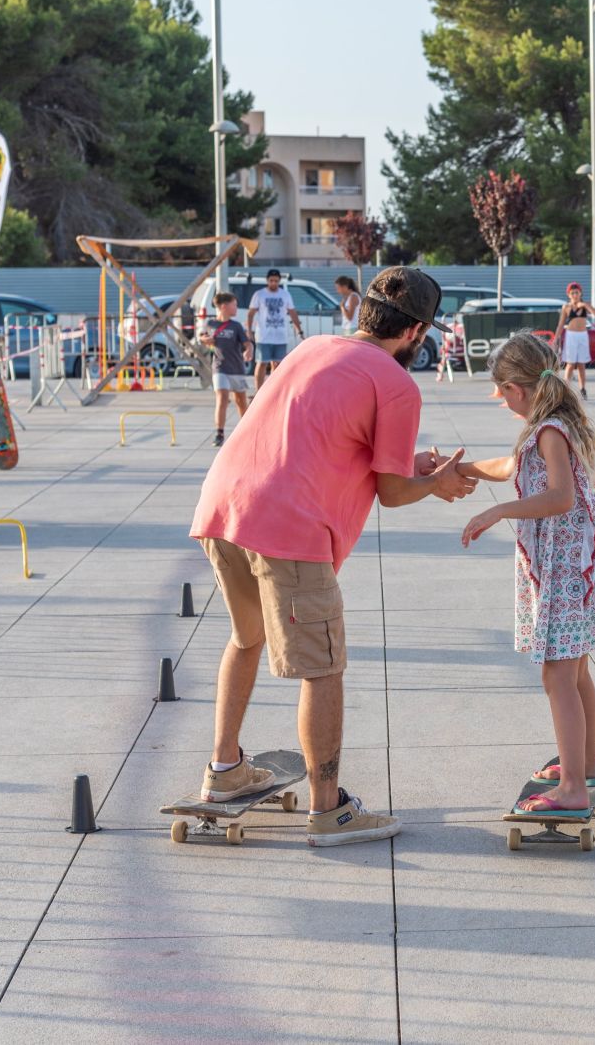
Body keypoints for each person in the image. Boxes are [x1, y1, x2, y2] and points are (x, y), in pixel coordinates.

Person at [190, 266, 477, 846]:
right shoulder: (397, 385)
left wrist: (416, 463)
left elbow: (332, 439)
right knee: (324, 666)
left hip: (224, 506)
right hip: (288, 528)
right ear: (417, 332)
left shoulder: (314, 346)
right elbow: (393, 493)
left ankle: (224, 771)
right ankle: (329, 809)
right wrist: (438, 483)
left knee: (247, 638)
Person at [459, 333, 595, 814]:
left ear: (516, 387)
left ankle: (573, 785)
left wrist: (498, 512)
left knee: (557, 677)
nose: (503, 403)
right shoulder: (551, 424)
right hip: (573, 565)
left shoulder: (550, 430)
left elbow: (560, 497)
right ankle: (587, 764)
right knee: (574, 674)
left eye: (502, 394)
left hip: (566, 570)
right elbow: (510, 464)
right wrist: (460, 468)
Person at [199, 292, 251, 447]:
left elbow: (247, 343)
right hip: (220, 366)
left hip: (236, 367)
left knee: (241, 401)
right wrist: (204, 340)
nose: (236, 307)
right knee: (222, 398)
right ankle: (219, 433)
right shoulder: (211, 324)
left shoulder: (236, 326)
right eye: (234, 304)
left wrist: (249, 350)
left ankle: (246, 430)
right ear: (223, 306)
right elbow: (202, 336)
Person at [246, 269, 302, 389]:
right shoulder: (260, 294)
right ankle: (258, 391)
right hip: (264, 336)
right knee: (261, 363)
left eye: (276, 281)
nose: (273, 283)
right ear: (267, 281)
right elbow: (251, 313)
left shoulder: (285, 294)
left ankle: (274, 389)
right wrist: (249, 330)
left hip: (280, 336)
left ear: (279, 281)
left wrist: (299, 329)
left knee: (278, 365)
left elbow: (292, 312)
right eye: (271, 281)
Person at [557, 282, 595, 399]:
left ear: (580, 293)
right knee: (570, 364)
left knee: (581, 364)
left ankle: (582, 388)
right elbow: (561, 324)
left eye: (577, 292)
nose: (575, 295)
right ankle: (565, 390)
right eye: (572, 293)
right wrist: (556, 338)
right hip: (571, 335)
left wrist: (585, 305)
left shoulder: (585, 305)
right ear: (569, 295)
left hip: (582, 335)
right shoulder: (567, 307)